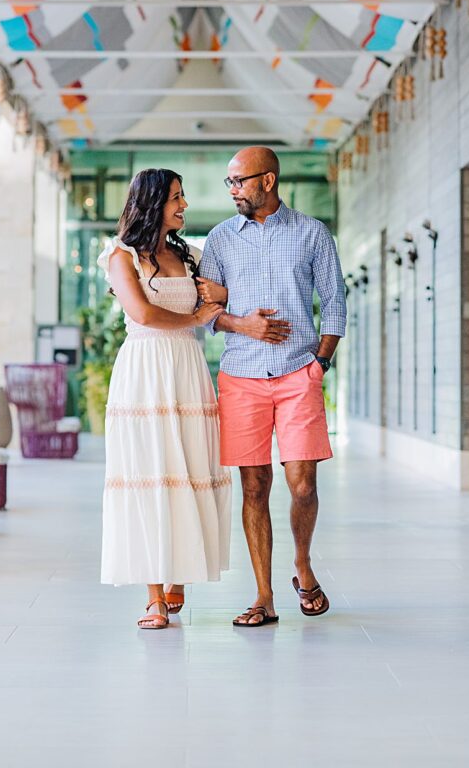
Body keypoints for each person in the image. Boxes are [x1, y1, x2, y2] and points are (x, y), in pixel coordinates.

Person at [196, 147, 346, 627]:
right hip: (241, 377)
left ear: (268, 180)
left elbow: (335, 303)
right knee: (254, 486)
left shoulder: (312, 233)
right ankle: (264, 595)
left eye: (239, 181)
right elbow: (205, 312)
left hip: (298, 373)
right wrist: (244, 326)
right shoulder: (220, 238)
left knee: (302, 485)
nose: (233, 189)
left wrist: (319, 363)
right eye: (229, 182)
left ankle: (301, 564)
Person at [98, 168, 231, 629]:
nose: (185, 205)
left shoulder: (190, 256)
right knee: (149, 472)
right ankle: (154, 596)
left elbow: (220, 301)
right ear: (154, 202)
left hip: (188, 371)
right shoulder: (122, 255)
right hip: (144, 371)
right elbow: (143, 313)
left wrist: (222, 307)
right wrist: (197, 318)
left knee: (189, 469)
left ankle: (178, 574)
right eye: (177, 197)